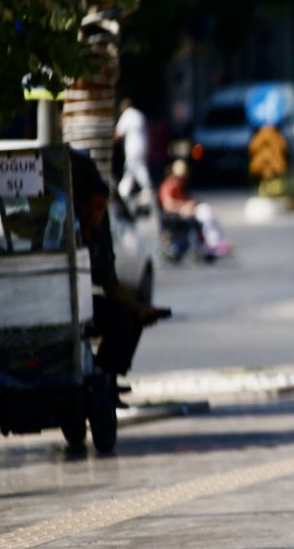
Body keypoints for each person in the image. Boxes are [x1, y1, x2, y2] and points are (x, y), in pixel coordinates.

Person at [69, 150, 168, 402]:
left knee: (128, 316)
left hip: (81, 307)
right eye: (92, 207)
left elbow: (109, 283)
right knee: (121, 318)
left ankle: (105, 380)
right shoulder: (62, 228)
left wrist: (141, 308)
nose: (97, 214)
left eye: (102, 208)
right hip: (55, 307)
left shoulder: (100, 234)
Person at [159, 160, 230, 257]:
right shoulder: (169, 185)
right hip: (177, 213)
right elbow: (168, 205)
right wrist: (183, 207)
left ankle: (216, 241)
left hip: (186, 210)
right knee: (205, 214)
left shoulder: (179, 185)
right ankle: (213, 243)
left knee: (209, 213)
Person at [113, 98, 151, 203]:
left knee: (136, 168)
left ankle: (148, 189)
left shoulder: (127, 115)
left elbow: (118, 133)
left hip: (132, 148)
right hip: (142, 147)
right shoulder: (139, 115)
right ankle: (123, 192)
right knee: (131, 170)